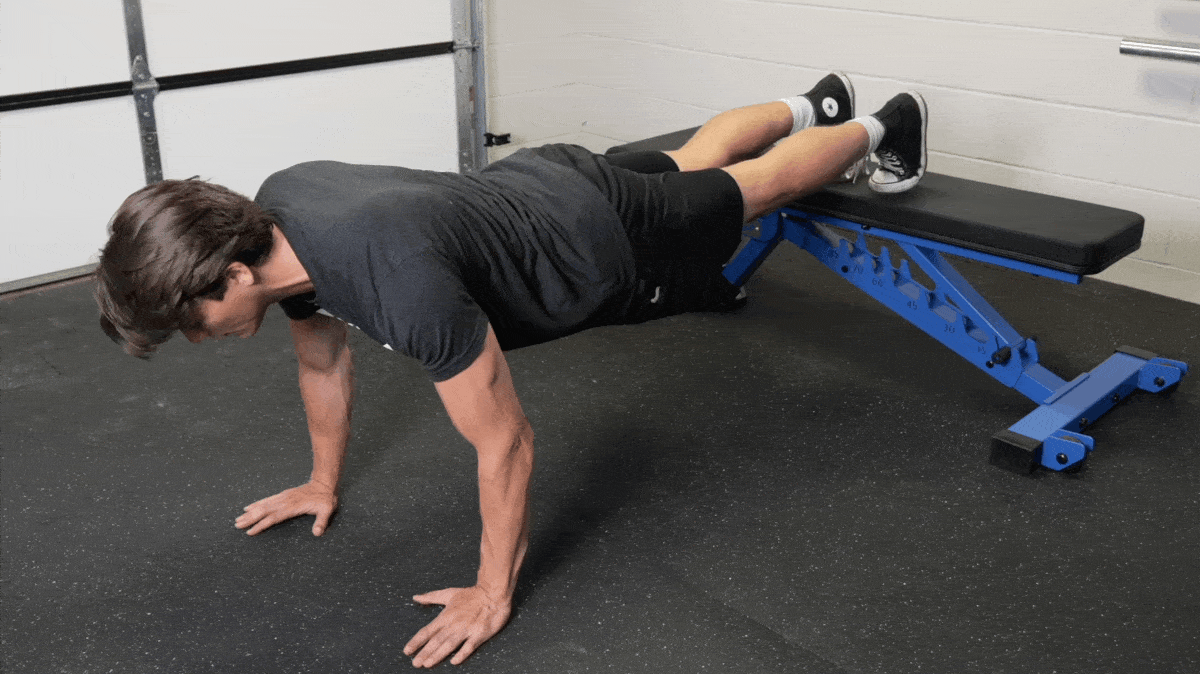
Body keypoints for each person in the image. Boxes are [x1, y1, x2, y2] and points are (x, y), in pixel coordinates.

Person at [94, 73, 927, 668]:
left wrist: (493, 594)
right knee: (687, 163)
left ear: (233, 277)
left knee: (746, 189)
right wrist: (321, 481)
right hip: (535, 182)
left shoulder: (400, 286)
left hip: (592, 231)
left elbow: (508, 444)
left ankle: (884, 123)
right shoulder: (280, 210)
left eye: (188, 324)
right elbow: (321, 363)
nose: (197, 341)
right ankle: (812, 101)